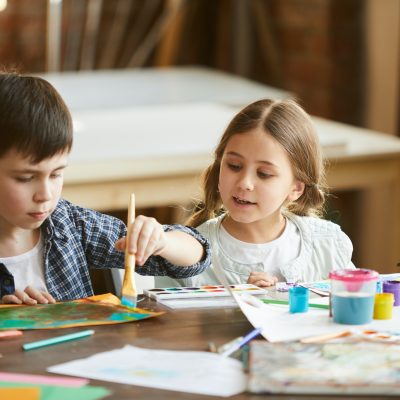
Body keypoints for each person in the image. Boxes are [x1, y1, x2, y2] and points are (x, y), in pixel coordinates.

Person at [0, 71, 210, 304]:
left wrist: (162, 241)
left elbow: (196, 257)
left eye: (56, 174)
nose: (45, 195)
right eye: (26, 178)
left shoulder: (68, 225)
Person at [157, 98, 354, 289]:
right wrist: (241, 305)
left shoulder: (328, 245)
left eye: (264, 174)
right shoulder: (184, 254)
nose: (245, 183)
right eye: (234, 166)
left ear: (296, 188)